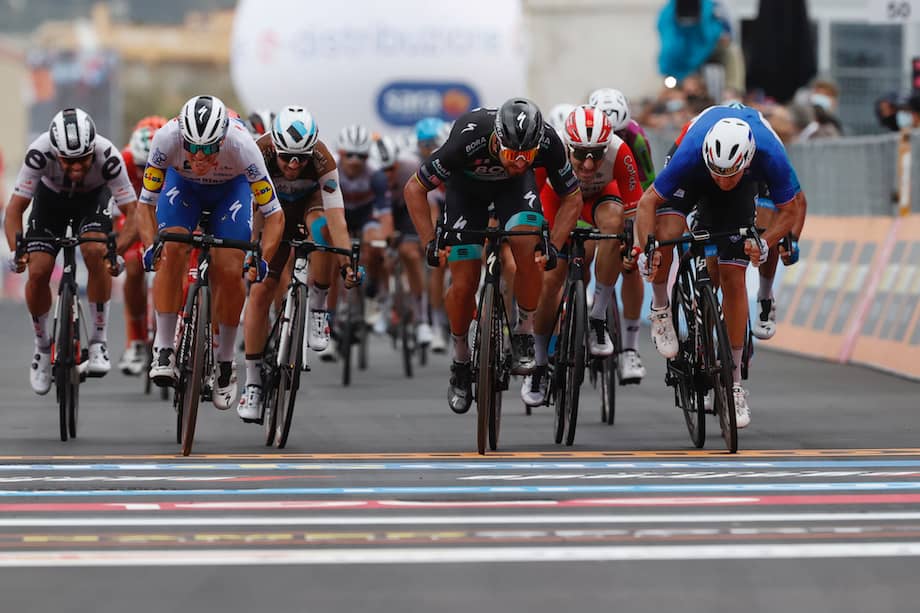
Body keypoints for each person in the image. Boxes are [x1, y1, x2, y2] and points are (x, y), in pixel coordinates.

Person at [404, 97, 583, 414]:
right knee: (463, 283)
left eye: (527, 155)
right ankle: (460, 360)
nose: (519, 161)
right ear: (497, 140)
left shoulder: (547, 142)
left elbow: (572, 195)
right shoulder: (467, 140)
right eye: (513, 153)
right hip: (466, 193)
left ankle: (524, 331)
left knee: (527, 247)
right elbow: (414, 189)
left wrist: (553, 244)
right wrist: (430, 240)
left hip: (513, 192)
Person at [635, 104, 806, 428]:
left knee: (733, 276)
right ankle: (660, 308)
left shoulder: (768, 152)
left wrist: (765, 243)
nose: (721, 180)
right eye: (718, 173)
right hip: (693, 172)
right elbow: (648, 202)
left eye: (728, 174)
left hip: (743, 189)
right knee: (667, 235)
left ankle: (734, 382)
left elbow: (791, 210)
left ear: (747, 161)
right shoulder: (694, 150)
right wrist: (646, 248)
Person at [138, 94, 285, 411]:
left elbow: (275, 216)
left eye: (208, 148)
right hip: (184, 187)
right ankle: (163, 347)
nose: (200, 155)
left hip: (229, 191)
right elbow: (145, 204)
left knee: (230, 268)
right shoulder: (166, 139)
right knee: (172, 246)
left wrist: (261, 259)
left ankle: (225, 361)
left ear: (223, 139)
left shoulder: (243, 146)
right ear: (182, 138)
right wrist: (152, 246)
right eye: (192, 147)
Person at [237, 105, 359, 421]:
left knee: (322, 229)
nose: (293, 165)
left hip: (310, 207)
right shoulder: (258, 152)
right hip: (271, 212)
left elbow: (337, 218)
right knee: (262, 290)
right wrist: (253, 254)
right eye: (286, 158)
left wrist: (346, 262)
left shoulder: (323, 159)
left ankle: (318, 307)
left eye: (300, 159)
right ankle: (251, 383)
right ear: (274, 147)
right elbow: (252, 212)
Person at [4, 108, 137, 394]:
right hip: (49, 201)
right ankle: (41, 348)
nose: (76, 167)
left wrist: (116, 252)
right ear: (54, 152)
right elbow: (14, 210)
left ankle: (99, 341)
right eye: (68, 160)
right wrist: (18, 252)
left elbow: (133, 214)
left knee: (94, 251)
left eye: (83, 159)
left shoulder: (108, 156)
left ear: (93, 150)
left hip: (92, 201)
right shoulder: (38, 152)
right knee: (38, 270)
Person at [521, 105, 646, 406]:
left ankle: (598, 318)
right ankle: (538, 364)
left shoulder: (621, 150)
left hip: (600, 200)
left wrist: (633, 246)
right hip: (559, 201)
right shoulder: (550, 147)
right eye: (580, 154)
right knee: (551, 281)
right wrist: (541, 240)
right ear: (568, 145)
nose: (589, 164)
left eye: (597, 154)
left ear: (608, 145)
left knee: (615, 226)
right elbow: (531, 199)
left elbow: (635, 210)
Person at [319, 124, 392, 360]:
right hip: (339, 215)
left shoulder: (376, 176)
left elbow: (385, 214)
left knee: (376, 247)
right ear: (340, 153)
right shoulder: (331, 172)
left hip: (365, 215)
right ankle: (327, 323)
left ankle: (371, 296)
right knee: (331, 262)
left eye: (360, 156)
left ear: (368, 157)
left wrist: (386, 240)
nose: (354, 161)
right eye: (349, 154)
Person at [117, 116, 168, 375]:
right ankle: (135, 340)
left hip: (163, 209)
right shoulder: (123, 161)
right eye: (140, 166)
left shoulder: (174, 157)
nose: (145, 171)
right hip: (134, 209)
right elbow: (115, 203)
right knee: (134, 266)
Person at [373, 134, 434, 347]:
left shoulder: (411, 167)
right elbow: (380, 216)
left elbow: (428, 203)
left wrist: (429, 236)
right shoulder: (372, 177)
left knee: (410, 253)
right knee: (378, 252)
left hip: (407, 210)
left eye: (392, 169)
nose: (389, 174)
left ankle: (422, 320)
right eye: (384, 171)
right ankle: (384, 304)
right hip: (381, 210)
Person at [414, 117, 451, 353]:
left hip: (466, 206)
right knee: (438, 263)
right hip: (440, 208)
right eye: (425, 145)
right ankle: (436, 324)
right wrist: (436, 240)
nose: (429, 150)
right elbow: (432, 206)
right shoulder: (433, 166)